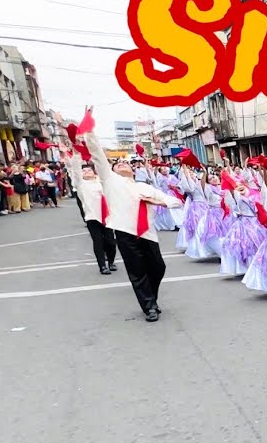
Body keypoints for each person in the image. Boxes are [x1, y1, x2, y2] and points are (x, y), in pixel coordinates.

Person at [84, 127, 183, 322]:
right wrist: (89, 130)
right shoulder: (110, 182)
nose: (122, 164)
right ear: (111, 171)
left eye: (125, 164)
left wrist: (157, 202)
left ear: (132, 170)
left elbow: (176, 201)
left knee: (158, 267)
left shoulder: (144, 187)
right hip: (125, 233)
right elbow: (97, 155)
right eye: (117, 164)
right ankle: (149, 307)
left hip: (148, 233)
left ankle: (151, 298)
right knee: (137, 272)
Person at [65, 150, 115, 275]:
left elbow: (105, 169)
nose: (86, 172)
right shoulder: (81, 185)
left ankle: (111, 261)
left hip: (108, 217)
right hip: (92, 217)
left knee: (110, 242)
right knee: (97, 241)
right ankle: (102, 265)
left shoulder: (103, 181)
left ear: (94, 172)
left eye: (89, 170)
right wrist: (76, 153)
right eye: (84, 171)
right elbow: (75, 171)